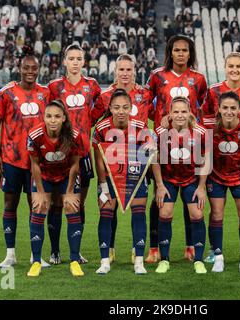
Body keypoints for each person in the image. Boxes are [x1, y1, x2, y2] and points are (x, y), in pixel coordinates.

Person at [145, 35, 207, 263]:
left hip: (189, 143)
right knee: (159, 198)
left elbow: (204, 106)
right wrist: (159, 118)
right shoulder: (157, 76)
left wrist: (196, 127)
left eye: (185, 50)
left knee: (188, 198)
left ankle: (190, 246)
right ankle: (154, 248)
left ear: (190, 53)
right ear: (170, 52)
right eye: (176, 50)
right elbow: (145, 103)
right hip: (163, 145)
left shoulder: (198, 79)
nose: (180, 54)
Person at [0, 46, 51, 269]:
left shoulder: (45, 93)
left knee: (36, 205)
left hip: (37, 162)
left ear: (39, 69)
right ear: (19, 68)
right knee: (10, 204)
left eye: (34, 68)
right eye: (26, 67)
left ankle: (36, 256)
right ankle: (10, 254)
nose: (30, 71)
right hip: (11, 160)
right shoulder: (6, 93)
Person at [201, 52, 240, 264]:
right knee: (215, 211)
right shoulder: (213, 91)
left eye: (239, 66)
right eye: (231, 66)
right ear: (225, 67)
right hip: (218, 162)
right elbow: (204, 122)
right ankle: (213, 250)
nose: (235, 70)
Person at [91, 54, 153, 264]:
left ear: (134, 70)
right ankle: (108, 250)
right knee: (110, 205)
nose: (125, 74)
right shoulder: (105, 96)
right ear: (115, 71)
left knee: (138, 207)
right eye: (121, 70)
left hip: (139, 161)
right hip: (112, 162)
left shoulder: (144, 94)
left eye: (129, 70)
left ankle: (140, 252)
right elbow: (92, 121)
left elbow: (156, 114)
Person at [47, 43, 101, 265]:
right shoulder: (54, 86)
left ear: (84, 62)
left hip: (84, 153)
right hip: (60, 155)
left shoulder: (92, 86)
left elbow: (101, 109)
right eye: (72, 58)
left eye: (79, 59)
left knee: (78, 203)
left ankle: (75, 251)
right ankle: (55, 250)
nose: (76, 62)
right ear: (65, 61)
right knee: (57, 203)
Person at [152, 96, 211, 274]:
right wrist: (160, 185)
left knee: (196, 212)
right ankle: (164, 259)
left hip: (191, 179)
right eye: (176, 111)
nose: (180, 115)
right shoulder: (161, 132)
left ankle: (198, 260)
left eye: (183, 111)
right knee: (165, 211)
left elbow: (206, 160)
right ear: (169, 114)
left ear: (190, 113)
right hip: (168, 179)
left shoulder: (200, 132)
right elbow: (154, 159)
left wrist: (201, 187)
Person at [26, 100, 84, 277]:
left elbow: (75, 164)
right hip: (44, 175)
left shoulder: (74, 135)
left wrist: (69, 192)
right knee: (39, 207)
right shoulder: (35, 135)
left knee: (72, 206)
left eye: (57, 116)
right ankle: (36, 261)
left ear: (64, 118)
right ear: (43, 117)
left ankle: (74, 260)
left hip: (67, 174)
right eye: (49, 116)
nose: (52, 120)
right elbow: (34, 164)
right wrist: (41, 193)